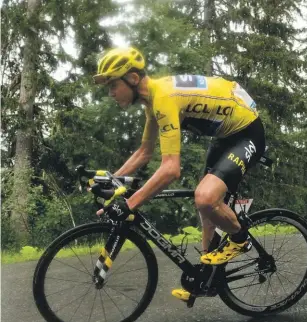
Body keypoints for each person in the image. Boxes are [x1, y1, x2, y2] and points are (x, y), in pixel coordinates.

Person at [93, 47, 266, 302]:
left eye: (112, 85)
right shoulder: (153, 101)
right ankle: (206, 279)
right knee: (207, 211)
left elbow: (171, 169)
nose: (110, 93)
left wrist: (130, 204)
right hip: (224, 138)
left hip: (247, 132)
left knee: (206, 197)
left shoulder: (163, 97)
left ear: (131, 78)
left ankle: (240, 239)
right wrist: (111, 179)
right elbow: (144, 152)